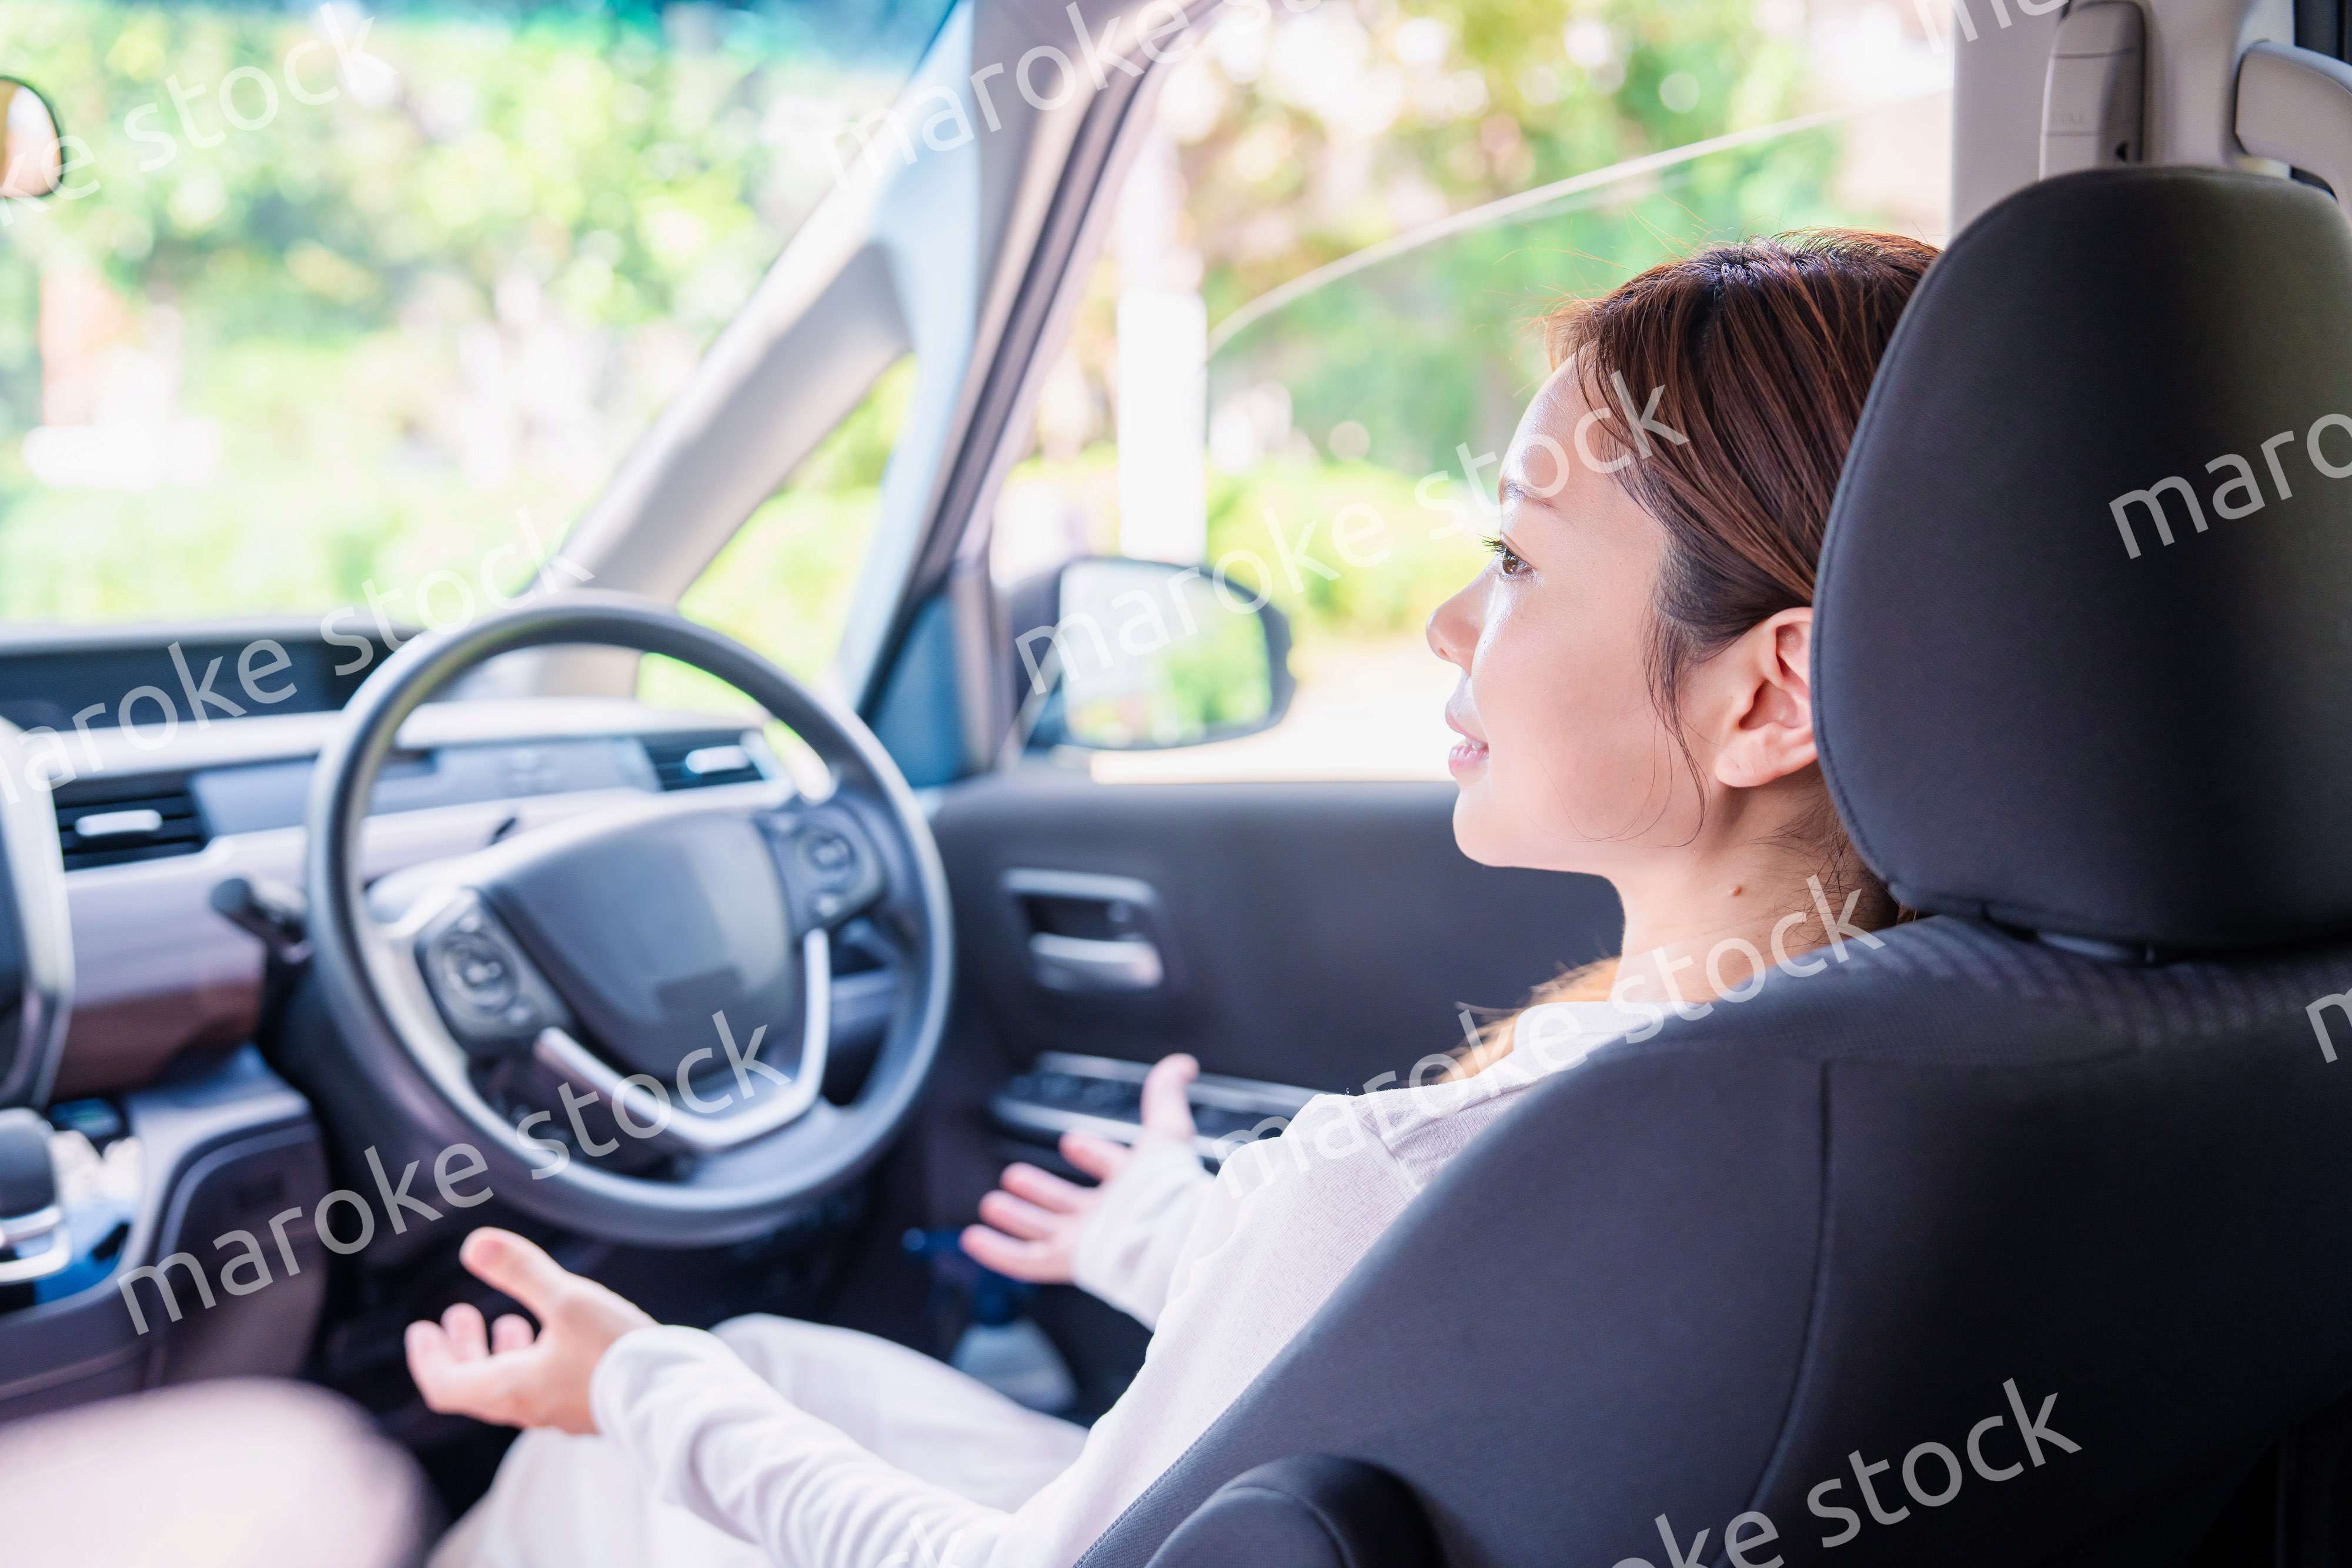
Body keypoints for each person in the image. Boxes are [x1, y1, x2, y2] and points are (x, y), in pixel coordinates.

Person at [412, 228, 1935, 1568]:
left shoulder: (1409, 1169)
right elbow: (1445, 1352)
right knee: (768, 1360)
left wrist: (625, 1380)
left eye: (1518, 564)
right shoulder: (1973, 1036)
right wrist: (1176, 1235)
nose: (1443, 621)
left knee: (610, 1445)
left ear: (1769, 695)